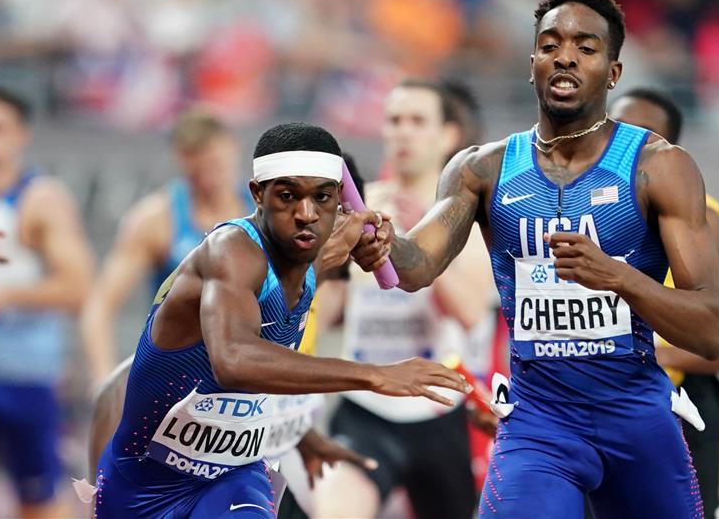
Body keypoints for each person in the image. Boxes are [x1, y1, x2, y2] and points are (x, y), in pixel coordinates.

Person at [353, 0, 719, 518]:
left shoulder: (659, 167)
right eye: (550, 44)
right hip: (539, 422)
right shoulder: (479, 169)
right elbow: (416, 266)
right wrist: (383, 243)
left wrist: (619, 278)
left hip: (637, 420)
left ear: (614, 71)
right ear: (532, 61)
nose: (565, 56)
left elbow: (713, 331)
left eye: (586, 46)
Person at [94, 121, 470, 517]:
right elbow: (233, 361)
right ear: (257, 194)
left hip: (233, 475)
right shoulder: (230, 251)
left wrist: (303, 437)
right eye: (288, 196)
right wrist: (375, 374)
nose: (306, 214)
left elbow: (355, 251)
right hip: (145, 484)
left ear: (338, 204)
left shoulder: (318, 253)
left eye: (321, 198)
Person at [312, 79, 495, 519]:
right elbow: (325, 310)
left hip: (440, 413)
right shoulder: (357, 211)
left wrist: (414, 251)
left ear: (447, 135)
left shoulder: (463, 219)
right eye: (394, 121)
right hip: (365, 407)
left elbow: (474, 315)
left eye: (417, 121)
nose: (403, 132)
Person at [609, 87, 719, 516]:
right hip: (594, 404)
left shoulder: (703, 220)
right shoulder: (569, 204)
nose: (630, 149)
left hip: (682, 410)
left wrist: (649, 351)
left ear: (671, 152)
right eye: (619, 133)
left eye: (646, 137)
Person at [81, 110, 255, 384]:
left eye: (216, 165)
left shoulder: (264, 212)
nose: (209, 178)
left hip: (249, 373)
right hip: (176, 374)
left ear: (234, 148)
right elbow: (100, 305)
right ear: (181, 159)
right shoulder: (156, 219)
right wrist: (104, 381)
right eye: (198, 170)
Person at [0, 85, 95, 518]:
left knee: (38, 500)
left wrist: (5, 295)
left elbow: (78, 288)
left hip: (25, 378)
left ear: (20, 136)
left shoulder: (40, 201)